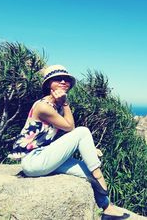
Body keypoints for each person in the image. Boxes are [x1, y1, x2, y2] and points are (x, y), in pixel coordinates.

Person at [8, 64, 130, 220]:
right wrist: (65, 103)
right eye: (58, 79)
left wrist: (90, 149)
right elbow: (70, 128)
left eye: (66, 79)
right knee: (83, 131)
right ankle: (99, 174)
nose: (63, 82)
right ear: (48, 84)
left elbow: (61, 134)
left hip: (45, 156)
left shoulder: (55, 105)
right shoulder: (43, 106)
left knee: (86, 171)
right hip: (34, 160)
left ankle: (107, 209)